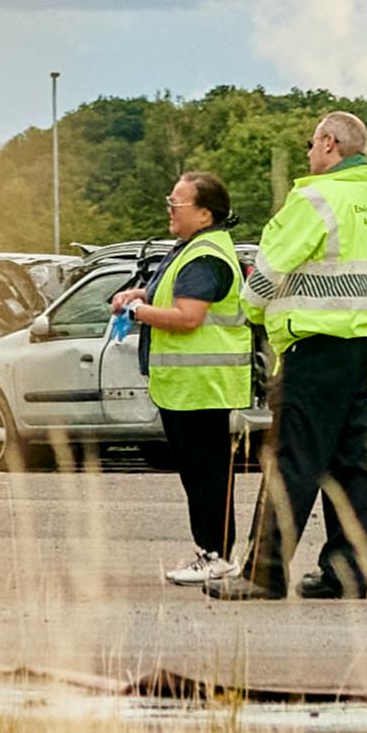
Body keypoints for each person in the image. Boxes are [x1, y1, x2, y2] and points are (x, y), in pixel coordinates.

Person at [210, 111, 367, 601]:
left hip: (313, 350)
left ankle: (264, 573)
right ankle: (350, 570)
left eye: (311, 144)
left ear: (330, 143)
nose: (309, 153)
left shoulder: (315, 199)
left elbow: (271, 267)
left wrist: (250, 310)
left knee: (292, 462)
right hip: (357, 351)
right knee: (347, 465)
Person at [117, 172, 256, 587]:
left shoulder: (205, 255)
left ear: (204, 212)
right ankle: (212, 552)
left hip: (200, 384)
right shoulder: (193, 248)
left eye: (177, 204)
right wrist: (139, 295)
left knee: (206, 473)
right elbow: (173, 297)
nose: (170, 210)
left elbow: (188, 317)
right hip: (189, 384)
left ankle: (215, 554)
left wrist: (134, 314)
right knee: (201, 471)